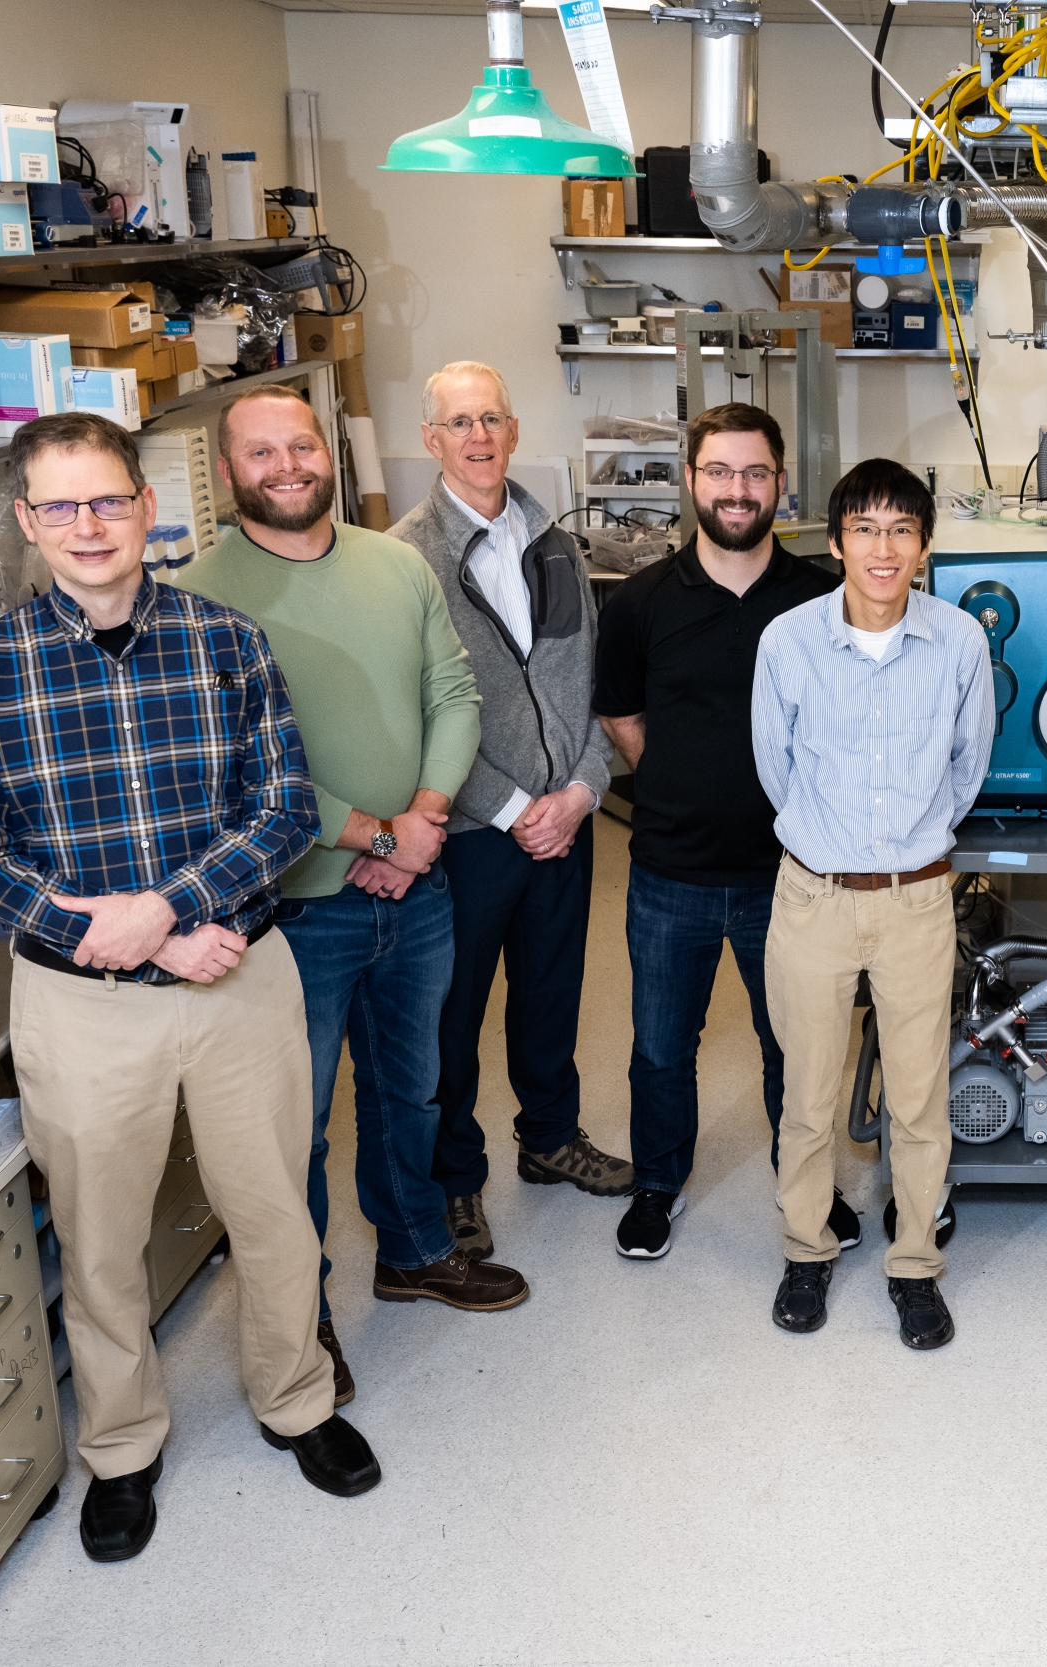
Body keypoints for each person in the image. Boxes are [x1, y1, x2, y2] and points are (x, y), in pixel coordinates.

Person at [0, 412, 379, 1563]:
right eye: (62, 506)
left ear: (146, 507)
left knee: (274, 1210)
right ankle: (122, 1447)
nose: (90, 526)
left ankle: (298, 1400)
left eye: (109, 500)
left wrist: (169, 912)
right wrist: (129, 938)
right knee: (98, 1238)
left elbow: (282, 808)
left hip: (236, 975)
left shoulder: (225, 641)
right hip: (84, 1004)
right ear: (30, 523)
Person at [177, 386, 525, 1411]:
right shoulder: (201, 593)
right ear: (228, 469)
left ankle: (415, 1248)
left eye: (301, 443)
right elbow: (229, 761)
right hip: (294, 907)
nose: (287, 465)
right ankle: (301, 1311)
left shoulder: (393, 562)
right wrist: (371, 833)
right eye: (260, 452)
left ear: (328, 449)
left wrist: (419, 824)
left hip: (415, 888)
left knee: (408, 1086)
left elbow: (452, 694)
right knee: (294, 1125)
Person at [594, 403, 845, 1260]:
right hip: (672, 872)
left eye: (755, 473)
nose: (738, 490)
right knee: (662, 1047)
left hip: (795, 876)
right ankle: (658, 1184)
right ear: (692, 481)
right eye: (720, 473)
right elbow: (622, 714)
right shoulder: (640, 603)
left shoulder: (821, 599)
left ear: (780, 482)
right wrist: (685, 775)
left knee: (796, 1047)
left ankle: (808, 1183)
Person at [751, 459, 991, 1348]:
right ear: (837, 539)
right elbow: (775, 767)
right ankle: (806, 1249)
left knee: (920, 1099)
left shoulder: (961, 642)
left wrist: (903, 846)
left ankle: (916, 1263)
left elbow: (965, 769)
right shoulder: (788, 641)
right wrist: (837, 843)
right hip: (813, 894)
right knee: (809, 1096)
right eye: (865, 528)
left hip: (917, 902)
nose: (882, 548)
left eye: (901, 530)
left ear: (923, 546)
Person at [393, 362, 627, 1265]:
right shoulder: (405, 557)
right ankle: (457, 1181)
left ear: (515, 429)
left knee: (551, 991)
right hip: (469, 832)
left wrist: (581, 792)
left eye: (492, 416)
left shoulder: (555, 540)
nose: (479, 436)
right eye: (460, 422)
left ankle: (550, 1137)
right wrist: (516, 804)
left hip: (566, 820)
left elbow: (589, 680)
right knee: (454, 1017)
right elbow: (415, 712)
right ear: (432, 440)